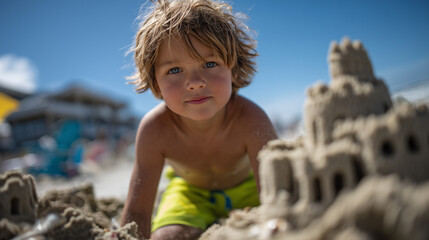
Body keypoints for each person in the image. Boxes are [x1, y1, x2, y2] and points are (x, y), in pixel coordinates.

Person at [121, 0, 278, 239]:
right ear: (156, 84)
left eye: (210, 64)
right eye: (174, 70)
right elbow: (138, 211)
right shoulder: (155, 131)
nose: (195, 82)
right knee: (166, 236)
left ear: (233, 70)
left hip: (248, 190)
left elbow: (276, 193)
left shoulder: (250, 120)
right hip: (189, 193)